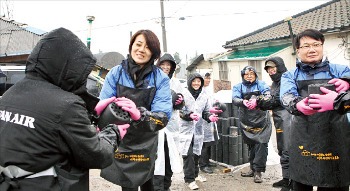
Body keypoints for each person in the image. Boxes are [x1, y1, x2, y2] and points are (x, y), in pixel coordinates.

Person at [0, 27, 124, 191]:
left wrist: (91, 112)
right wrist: (113, 133)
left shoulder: (11, 94)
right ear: (67, 66)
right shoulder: (66, 105)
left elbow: (49, 125)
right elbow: (97, 155)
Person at [99, 29, 172, 191]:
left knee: (148, 182)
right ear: (131, 46)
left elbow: (163, 116)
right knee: (127, 185)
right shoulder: (115, 74)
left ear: (153, 53)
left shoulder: (160, 78)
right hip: (122, 140)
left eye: (147, 47)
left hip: (147, 141)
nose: (141, 50)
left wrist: (139, 114)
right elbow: (103, 106)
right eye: (138, 44)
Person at [280, 28, 350, 191]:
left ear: (322, 46)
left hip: (335, 136)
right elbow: (286, 96)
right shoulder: (290, 75)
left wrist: (347, 82)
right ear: (298, 51)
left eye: (316, 44)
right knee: (302, 182)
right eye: (306, 46)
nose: (312, 49)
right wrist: (297, 105)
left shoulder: (341, 71)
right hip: (303, 135)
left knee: (335, 182)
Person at [178, 73, 218, 190]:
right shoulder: (184, 94)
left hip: (198, 129)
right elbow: (180, 111)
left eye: (198, 81)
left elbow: (206, 111)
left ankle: (195, 174)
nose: (196, 83)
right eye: (194, 81)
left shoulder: (203, 95)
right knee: (188, 154)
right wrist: (189, 115)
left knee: (196, 153)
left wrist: (209, 117)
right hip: (185, 129)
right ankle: (189, 179)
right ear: (189, 82)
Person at [232, 66, 272, 183]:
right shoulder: (238, 86)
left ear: (255, 75)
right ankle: (252, 168)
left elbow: (267, 95)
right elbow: (235, 99)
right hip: (247, 121)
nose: (249, 76)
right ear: (243, 76)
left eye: (251, 73)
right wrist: (243, 102)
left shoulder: (261, 84)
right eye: (246, 74)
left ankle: (258, 171)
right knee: (251, 145)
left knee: (261, 144)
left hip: (261, 120)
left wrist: (258, 100)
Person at [260, 57, 292, 190]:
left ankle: (292, 181)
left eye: (273, 68)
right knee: (282, 147)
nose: (271, 71)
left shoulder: (287, 79)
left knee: (288, 148)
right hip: (279, 119)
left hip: (288, 118)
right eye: (268, 69)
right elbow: (273, 98)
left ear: (280, 66)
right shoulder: (275, 83)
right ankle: (286, 178)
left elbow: (282, 98)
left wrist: (263, 103)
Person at [153, 53, 184, 191]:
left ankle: (166, 186)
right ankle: (158, 188)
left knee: (169, 159)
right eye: (163, 64)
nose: (165, 67)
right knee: (157, 160)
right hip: (156, 127)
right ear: (158, 65)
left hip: (171, 128)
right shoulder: (152, 80)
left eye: (168, 65)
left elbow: (182, 103)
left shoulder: (176, 83)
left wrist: (179, 102)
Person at [199, 72, 221, 174]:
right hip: (203, 120)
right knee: (203, 143)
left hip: (209, 120)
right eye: (206, 78)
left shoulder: (207, 90)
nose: (208, 80)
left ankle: (206, 161)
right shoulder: (199, 91)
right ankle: (203, 165)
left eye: (209, 78)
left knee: (209, 142)